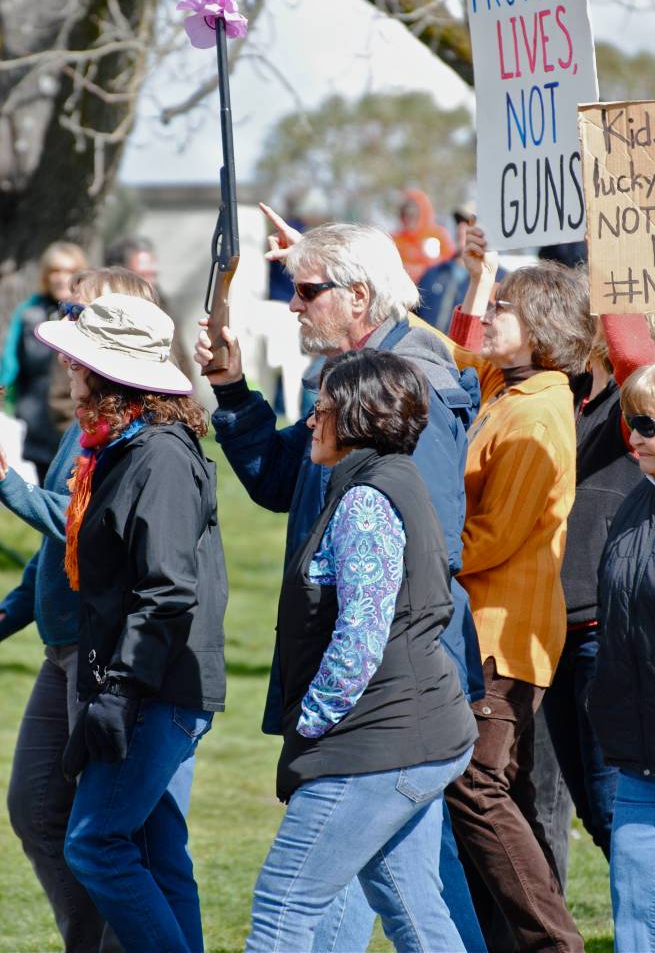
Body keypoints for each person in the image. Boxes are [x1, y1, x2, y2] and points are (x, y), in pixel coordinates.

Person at [195, 211, 486, 952]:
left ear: (358, 296)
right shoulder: (352, 387)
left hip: (384, 697)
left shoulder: (408, 389)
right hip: (381, 698)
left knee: (295, 903)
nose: (293, 304)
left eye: (307, 290)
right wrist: (231, 389)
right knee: (408, 896)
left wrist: (322, 718)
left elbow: (413, 569)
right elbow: (280, 480)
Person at [245, 348, 478, 952]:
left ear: (355, 417)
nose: (309, 422)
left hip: (380, 741)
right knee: (411, 905)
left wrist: (312, 723)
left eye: (320, 409)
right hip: (416, 733)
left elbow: (360, 638)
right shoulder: (388, 479)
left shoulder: (367, 501)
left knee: (282, 905)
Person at [439, 222, 594, 952]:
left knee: (475, 785)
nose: (493, 315)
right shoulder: (509, 385)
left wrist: (420, 558)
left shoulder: (537, 411)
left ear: (542, 327)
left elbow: (495, 537)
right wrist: (480, 277)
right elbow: (455, 358)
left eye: (506, 306)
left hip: (507, 634)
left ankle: (553, 943)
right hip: (487, 627)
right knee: (495, 793)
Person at [0, 269, 161, 953]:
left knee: (106, 833)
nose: (64, 328)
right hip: (61, 647)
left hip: (101, 654)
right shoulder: (84, 422)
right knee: (36, 808)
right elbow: (55, 549)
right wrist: (8, 614)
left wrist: (7, 484)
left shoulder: (136, 429)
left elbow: (86, 526)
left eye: (78, 312)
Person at [533, 308, 655, 884]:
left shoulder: (635, 407)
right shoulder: (566, 394)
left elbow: (633, 363)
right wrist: (478, 282)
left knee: (614, 809)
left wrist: (610, 277)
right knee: (585, 808)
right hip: (550, 628)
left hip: (600, 632)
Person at [587, 355, 655, 953]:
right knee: (638, 917)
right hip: (644, 757)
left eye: (648, 424)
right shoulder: (636, 503)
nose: (634, 437)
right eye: (630, 422)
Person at [1, 241, 88, 481]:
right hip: (38, 425)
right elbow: (12, 367)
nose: (61, 278)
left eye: (69, 271)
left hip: (78, 424)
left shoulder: (92, 316)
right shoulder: (30, 315)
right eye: (55, 271)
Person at [104, 233, 194, 379]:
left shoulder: (163, 308)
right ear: (118, 275)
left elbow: (182, 362)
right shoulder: (105, 316)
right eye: (142, 275)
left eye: (153, 275)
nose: (150, 283)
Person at [392, 188, 456, 284]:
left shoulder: (438, 235)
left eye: (413, 214)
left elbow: (450, 263)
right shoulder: (395, 240)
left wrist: (424, 269)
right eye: (404, 214)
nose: (408, 219)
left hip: (434, 286)